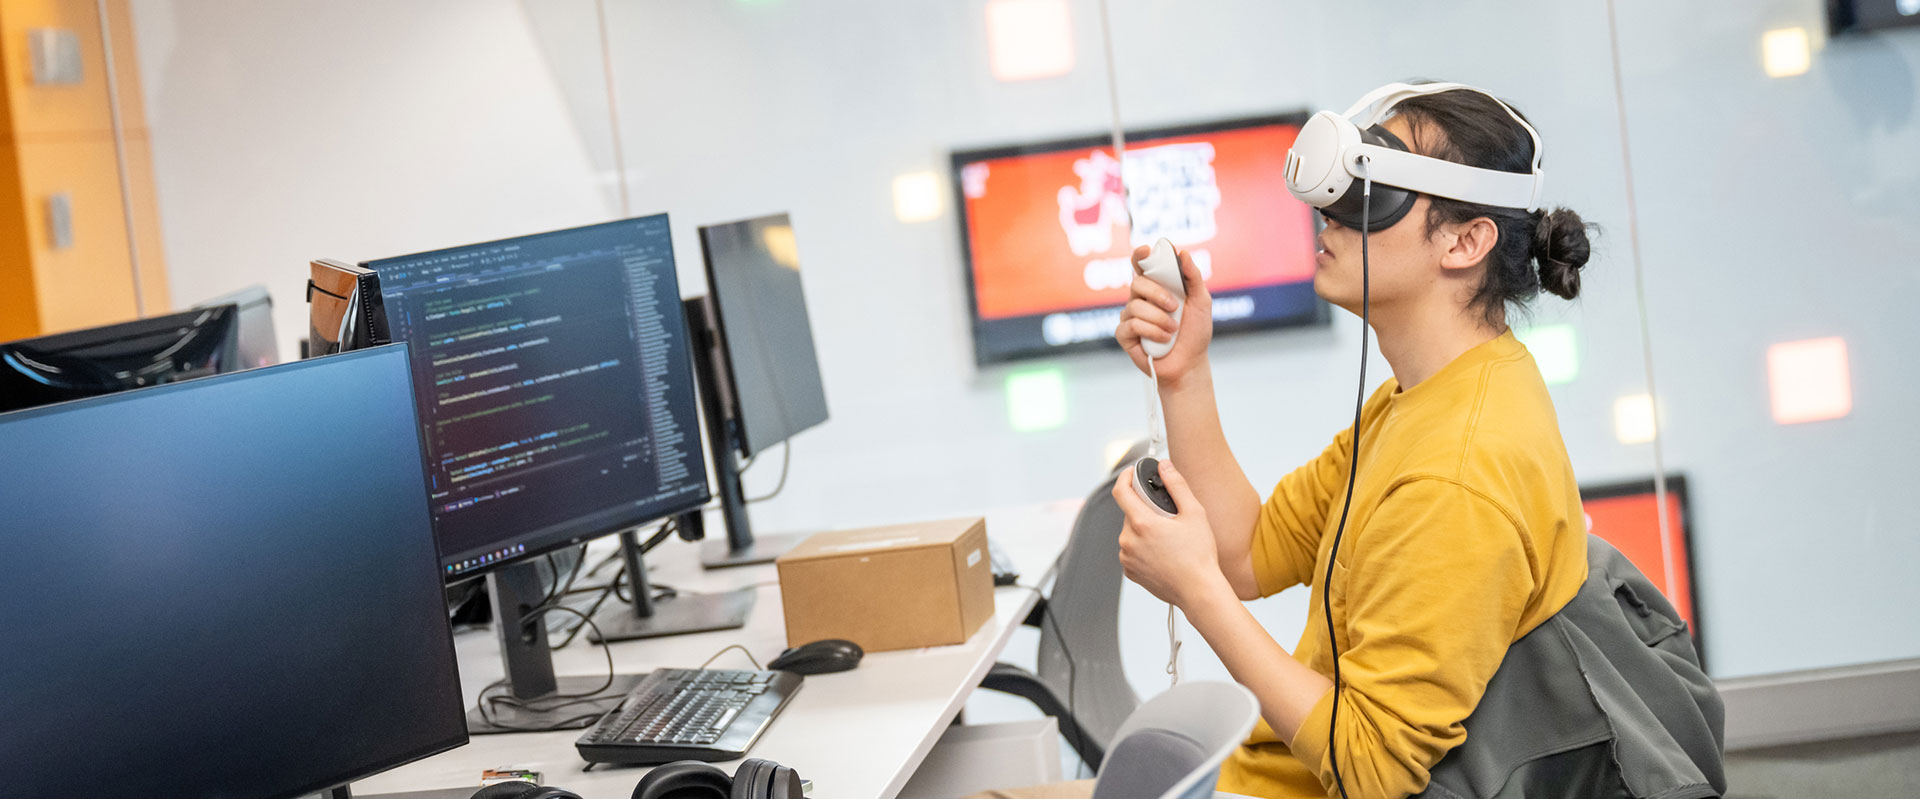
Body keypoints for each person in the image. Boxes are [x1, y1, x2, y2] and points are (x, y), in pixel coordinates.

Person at [1107, 85, 1595, 799]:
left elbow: (1374, 766)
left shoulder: (1458, 471)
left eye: (1375, 192)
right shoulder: (1427, 397)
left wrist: (1196, 589)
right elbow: (1248, 552)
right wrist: (1184, 373)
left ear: (1465, 241)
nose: (1330, 212)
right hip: (1271, 773)